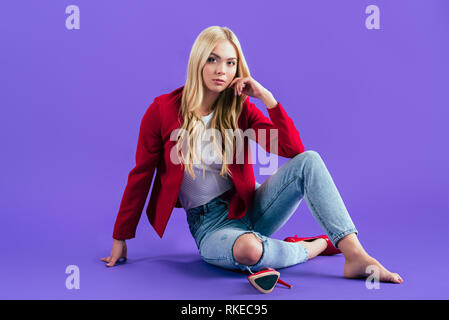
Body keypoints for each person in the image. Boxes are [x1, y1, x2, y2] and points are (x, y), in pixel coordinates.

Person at [101, 26, 403, 284]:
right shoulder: (162, 111)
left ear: (237, 69)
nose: (222, 70)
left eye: (230, 63)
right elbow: (141, 174)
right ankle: (312, 248)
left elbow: (292, 152)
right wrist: (120, 237)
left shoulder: (239, 108)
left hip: (249, 206)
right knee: (248, 250)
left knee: (310, 160)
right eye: (213, 60)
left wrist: (267, 99)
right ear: (197, 62)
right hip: (209, 225)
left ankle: (355, 255)